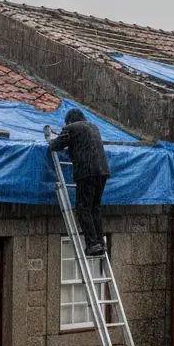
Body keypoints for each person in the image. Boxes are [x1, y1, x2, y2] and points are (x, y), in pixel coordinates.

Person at [47, 109, 110, 256]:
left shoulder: (71, 128)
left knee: (83, 208)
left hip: (86, 172)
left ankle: (93, 244)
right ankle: (100, 242)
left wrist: (51, 140)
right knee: (95, 208)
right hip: (103, 171)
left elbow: (55, 146)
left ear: (69, 121)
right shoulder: (94, 127)